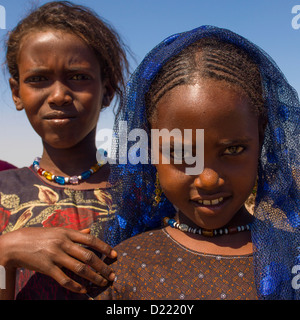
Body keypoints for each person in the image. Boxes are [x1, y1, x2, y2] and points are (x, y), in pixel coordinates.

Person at [95, 26, 300, 300]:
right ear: (150, 151)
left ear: (262, 138)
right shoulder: (124, 270)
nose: (208, 179)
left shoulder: (292, 260)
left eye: (234, 149)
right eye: (181, 155)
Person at [0, 1, 130, 300]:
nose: (59, 95)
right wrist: (6, 251)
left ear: (107, 90)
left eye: (78, 76)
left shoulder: (143, 192)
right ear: (17, 92)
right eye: (38, 79)